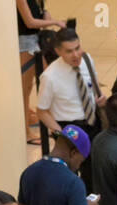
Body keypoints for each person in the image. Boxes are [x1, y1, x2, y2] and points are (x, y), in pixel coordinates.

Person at [36, 28, 106, 191]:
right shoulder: (50, 77)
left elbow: (93, 86)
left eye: (77, 48)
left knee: (92, 173)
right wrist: (60, 133)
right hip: (69, 128)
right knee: (70, 177)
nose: (76, 55)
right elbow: (42, 111)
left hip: (92, 122)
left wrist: (100, 97)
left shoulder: (87, 59)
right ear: (58, 51)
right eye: (69, 51)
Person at [14, 0, 64, 145]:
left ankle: (50, 123)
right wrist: (53, 22)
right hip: (26, 43)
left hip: (37, 41)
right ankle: (25, 131)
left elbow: (40, 12)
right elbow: (29, 21)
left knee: (47, 82)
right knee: (25, 89)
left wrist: (48, 17)